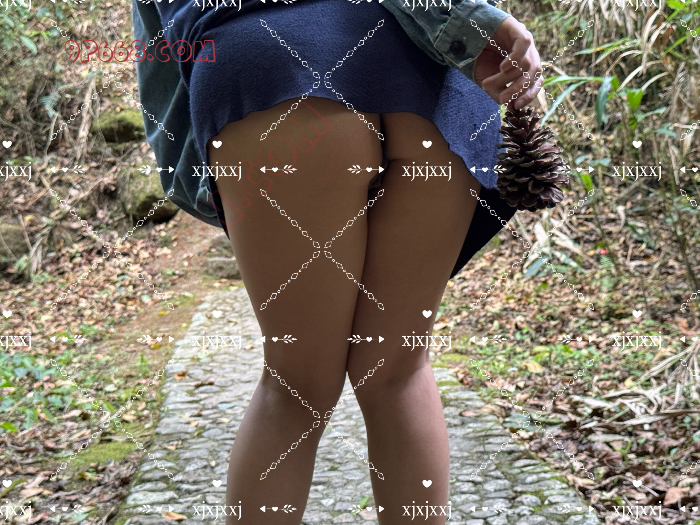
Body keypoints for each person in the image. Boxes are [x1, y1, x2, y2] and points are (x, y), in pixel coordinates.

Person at [131, 0, 542, 523]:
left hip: (273, 73)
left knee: (294, 387)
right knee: (398, 372)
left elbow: (161, 53)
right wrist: (472, 22)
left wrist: (197, 171)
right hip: (433, 80)